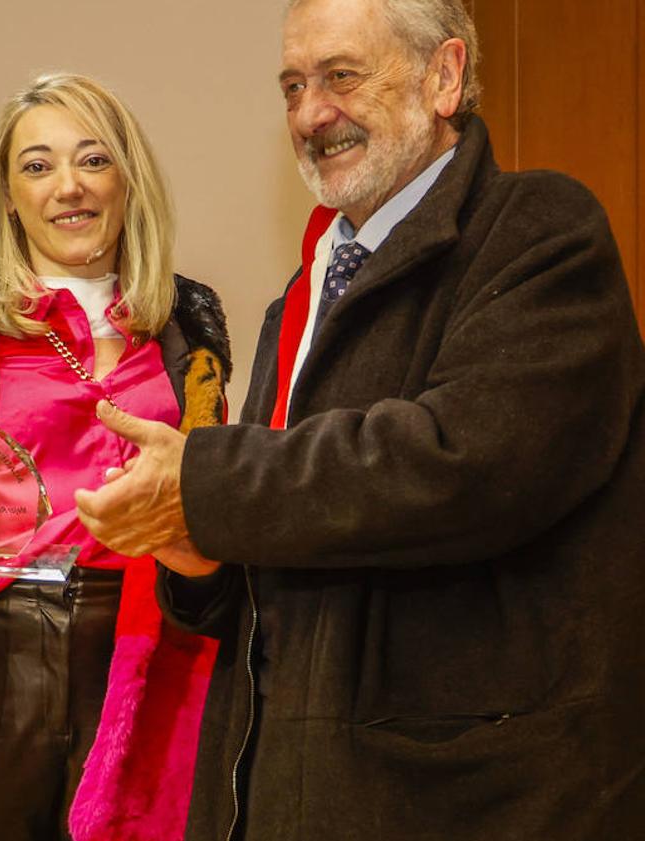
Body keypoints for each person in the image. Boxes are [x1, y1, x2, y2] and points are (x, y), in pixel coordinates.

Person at [74, 1, 645, 839]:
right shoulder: (294, 304)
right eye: (293, 87)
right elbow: (284, 538)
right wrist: (194, 555)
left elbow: (458, 464)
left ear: (444, 77)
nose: (311, 113)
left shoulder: (541, 234)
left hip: (472, 800)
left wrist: (204, 480)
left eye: (342, 76)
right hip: (281, 794)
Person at [0, 73, 231, 841]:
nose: (68, 187)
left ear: (128, 180)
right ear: (6, 194)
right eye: (37, 165)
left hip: (148, 648)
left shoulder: (190, 319)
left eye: (93, 160)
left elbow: (211, 494)